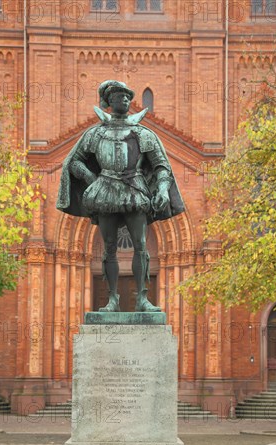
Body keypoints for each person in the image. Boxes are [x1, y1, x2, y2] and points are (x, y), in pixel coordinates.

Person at [56, 80, 184, 312]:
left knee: (141, 245)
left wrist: (163, 189)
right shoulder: (95, 133)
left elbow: (161, 166)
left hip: (135, 191)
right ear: (109, 101)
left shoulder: (143, 133)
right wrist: (91, 179)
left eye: (127, 96)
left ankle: (142, 299)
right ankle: (112, 299)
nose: (125, 99)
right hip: (105, 193)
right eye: (119, 96)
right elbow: (73, 161)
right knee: (109, 248)